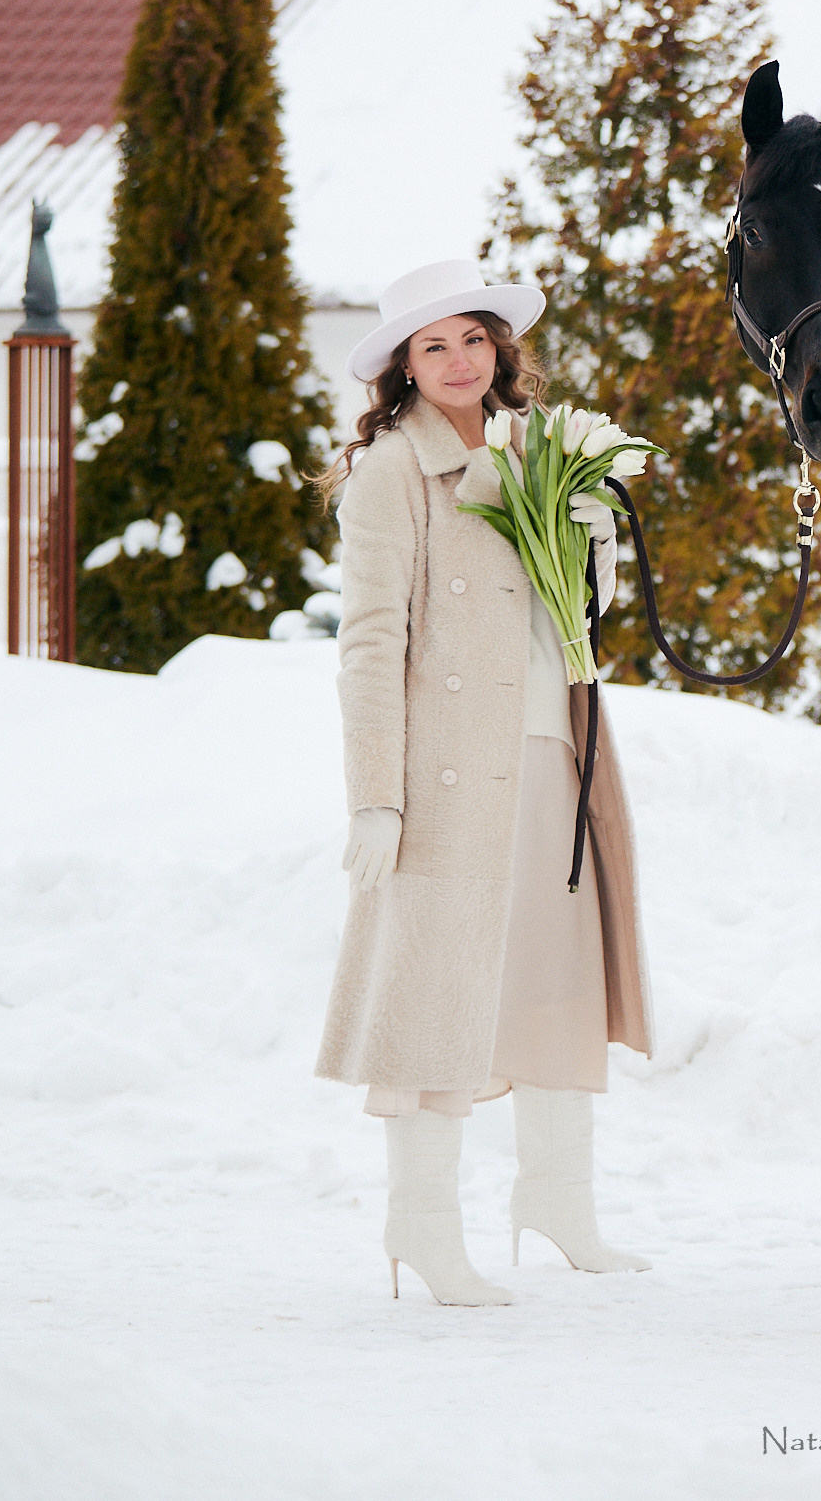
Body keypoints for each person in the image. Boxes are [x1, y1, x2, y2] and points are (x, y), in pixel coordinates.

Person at [311, 259, 652, 1307]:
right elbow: (371, 643)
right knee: (436, 998)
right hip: (451, 777)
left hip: (554, 749)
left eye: (473, 339)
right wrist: (376, 793)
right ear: (402, 368)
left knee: (554, 983)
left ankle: (557, 1200)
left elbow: (571, 621)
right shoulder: (389, 472)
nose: (460, 362)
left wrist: (597, 552)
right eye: (434, 346)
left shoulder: (539, 450)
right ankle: (419, 1224)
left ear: (500, 347)